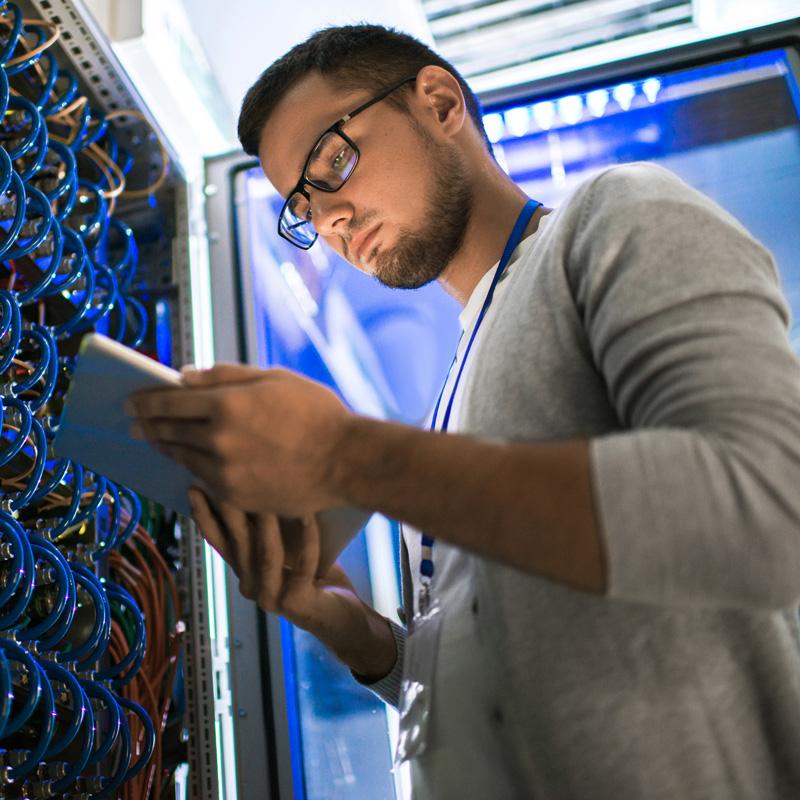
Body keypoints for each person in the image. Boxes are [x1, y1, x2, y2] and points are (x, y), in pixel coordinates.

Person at [126, 24, 800, 800]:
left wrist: (348, 456)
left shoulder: (616, 216)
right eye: (302, 207)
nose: (331, 220)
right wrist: (356, 631)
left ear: (440, 102)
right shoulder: (453, 391)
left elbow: (766, 506)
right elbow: (492, 680)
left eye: (333, 161)